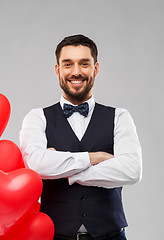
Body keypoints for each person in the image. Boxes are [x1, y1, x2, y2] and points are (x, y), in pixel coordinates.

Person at [19, 34, 142, 240]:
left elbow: (132, 170)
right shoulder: (37, 117)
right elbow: (34, 165)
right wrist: (93, 158)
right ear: (58, 70)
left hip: (111, 236)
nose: (76, 72)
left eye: (84, 64)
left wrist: (64, 171)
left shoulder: (119, 117)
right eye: (68, 64)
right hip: (55, 236)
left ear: (96, 69)